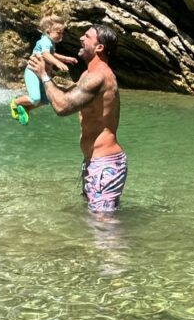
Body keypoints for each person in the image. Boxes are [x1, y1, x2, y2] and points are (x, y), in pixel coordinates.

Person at [27, 23, 127, 216]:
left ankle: (125, 247)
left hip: (104, 162)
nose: (81, 38)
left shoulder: (99, 76)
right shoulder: (87, 75)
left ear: (99, 47)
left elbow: (63, 107)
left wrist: (44, 76)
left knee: (104, 228)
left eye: (87, 36)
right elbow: (66, 96)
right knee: (98, 223)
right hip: (94, 161)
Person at [9, 14, 77, 125]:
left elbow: (52, 54)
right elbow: (46, 55)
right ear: (49, 31)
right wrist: (57, 63)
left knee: (45, 100)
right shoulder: (45, 41)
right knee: (35, 99)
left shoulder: (49, 42)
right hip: (32, 72)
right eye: (59, 33)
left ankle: (26, 108)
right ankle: (15, 103)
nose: (61, 35)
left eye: (62, 33)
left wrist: (66, 59)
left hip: (41, 75)